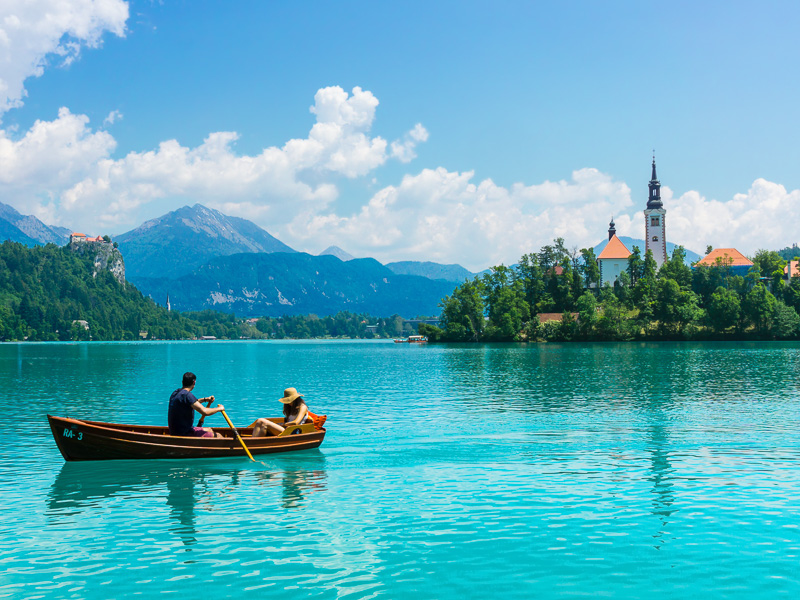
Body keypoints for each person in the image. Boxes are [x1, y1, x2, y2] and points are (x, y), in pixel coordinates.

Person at [168, 372, 225, 438]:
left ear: (182, 382)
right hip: (184, 433)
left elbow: (193, 403)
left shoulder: (176, 393)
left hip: (176, 431)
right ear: (194, 383)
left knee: (209, 429)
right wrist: (219, 409)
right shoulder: (187, 395)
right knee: (218, 436)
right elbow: (205, 412)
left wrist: (205, 399)